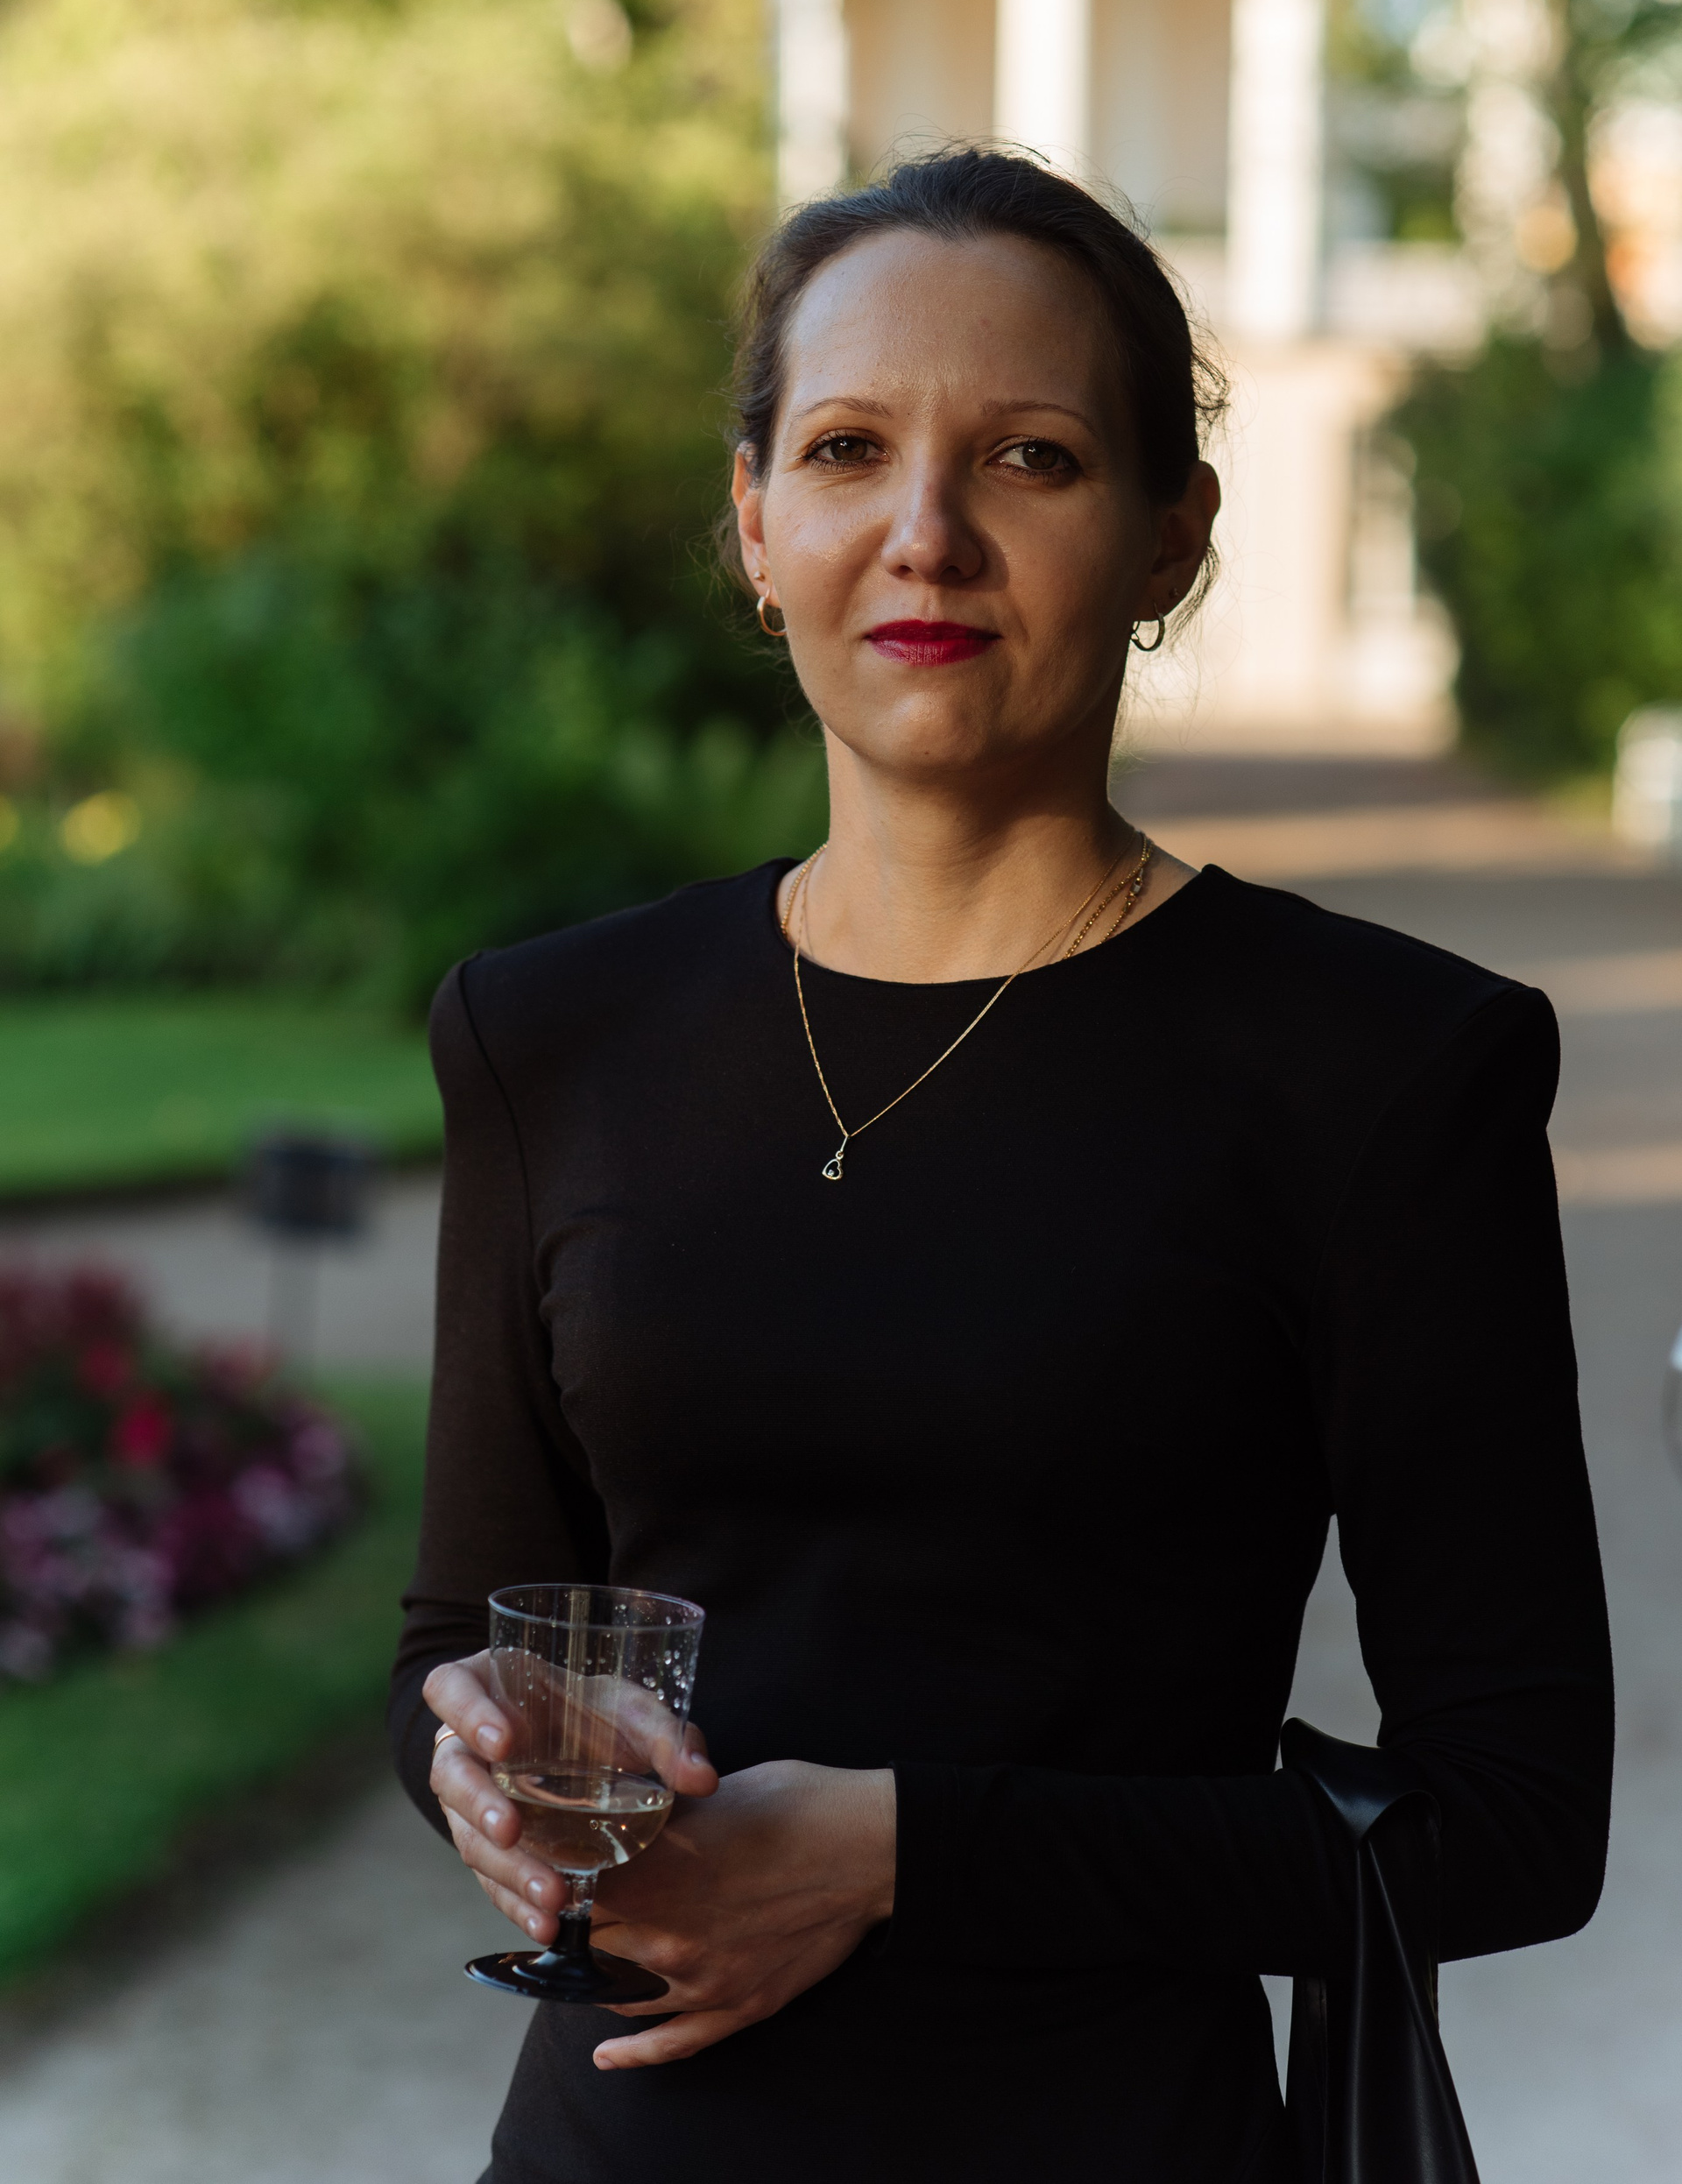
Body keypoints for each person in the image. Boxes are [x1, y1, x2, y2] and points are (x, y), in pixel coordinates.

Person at [390, 148, 1614, 2184]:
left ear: (1169, 537)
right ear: (757, 519)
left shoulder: (1389, 1072)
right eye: (849, 449)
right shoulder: (550, 1034)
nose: (926, 535)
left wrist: (901, 1850)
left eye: (1031, 458)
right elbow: (459, 1628)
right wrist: (479, 1762)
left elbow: (1515, 1820)